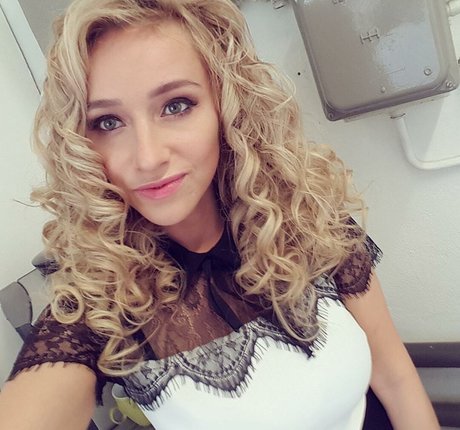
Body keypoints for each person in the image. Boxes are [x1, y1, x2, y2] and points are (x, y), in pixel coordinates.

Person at [0, 0, 439, 429]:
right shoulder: (101, 300)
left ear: (226, 106)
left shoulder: (310, 221)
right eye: (108, 122)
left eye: (176, 105)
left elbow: (396, 379)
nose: (148, 157)